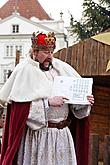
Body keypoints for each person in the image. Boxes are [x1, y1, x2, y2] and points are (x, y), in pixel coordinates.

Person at [0, 32, 94, 165]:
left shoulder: (62, 68)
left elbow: (75, 109)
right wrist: (47, 102)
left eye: (51, 51)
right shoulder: (24, 70)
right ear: (34, 51)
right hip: (38, 139)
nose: (50, 56)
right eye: (45, 52)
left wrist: (84, 102)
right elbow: (20, 110)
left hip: (62, 136)